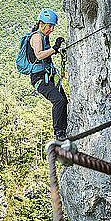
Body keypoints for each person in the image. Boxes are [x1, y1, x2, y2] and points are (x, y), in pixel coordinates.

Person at [28, 9, 67, 140]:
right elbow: (39, 55)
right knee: (58, 101)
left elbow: (46, 54)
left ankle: (65, 128)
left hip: (47, 75)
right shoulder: (37, 37)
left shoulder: (44, 37)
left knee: (64, 101)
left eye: (53, 27)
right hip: (39, 78)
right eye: (50, 26)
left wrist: (56, 49)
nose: (51, 29)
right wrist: (54, 48)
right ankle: (59, 132)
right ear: (42, 24)